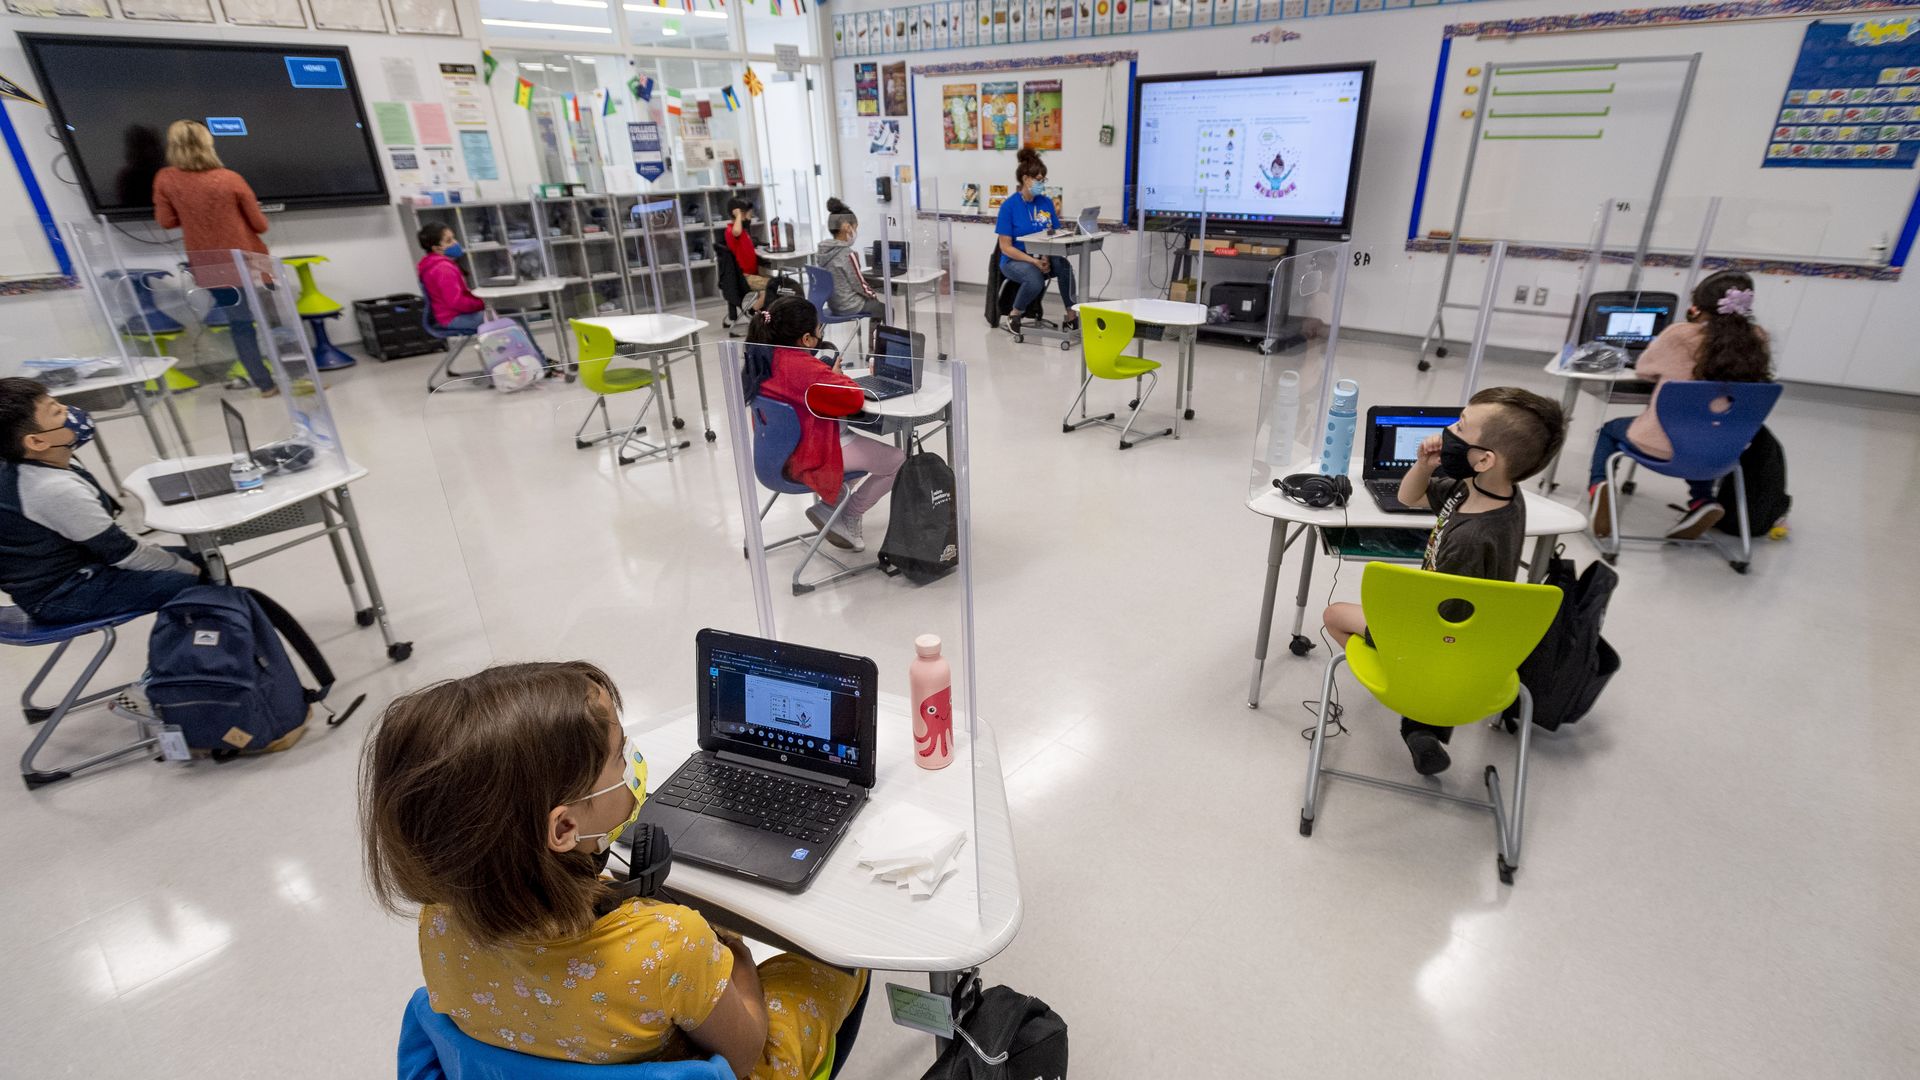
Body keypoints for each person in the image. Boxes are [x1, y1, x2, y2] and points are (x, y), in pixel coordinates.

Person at [361, 661, 869, 1079]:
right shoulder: (672, 942)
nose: (632, 762)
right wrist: (730, 949)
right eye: (618, 756)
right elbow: (741, 1056)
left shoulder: (440, 921)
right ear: (564, 828)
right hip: (727, 1052)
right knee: (833, 964)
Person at [1321, 387, 1566, 777]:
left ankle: (1410, 694)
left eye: (1460, 426)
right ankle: (1423, 726)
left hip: (1438, 639)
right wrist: (1424, 465)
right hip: (1482, 644)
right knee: (1436, 645)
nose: (1448, 430)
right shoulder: (1487, 491)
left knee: (1334, 615)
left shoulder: (1471, 541)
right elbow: (1409, 497)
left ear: (1484, 459)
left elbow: (1445, 626)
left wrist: (1401, 636)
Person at [1588, 271, 1773, 541]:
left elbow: (1644, 369)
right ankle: (1702, 501)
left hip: (1661, 445)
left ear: (1698, 305)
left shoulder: (1680, 334)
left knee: (1608, 431)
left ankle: (1598, 487)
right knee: (1704, 430)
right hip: (1723, 450)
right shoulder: (1758, 338)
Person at [0, 379, 204, 624]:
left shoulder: (50, 462)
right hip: (60, 594)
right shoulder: (52, 489)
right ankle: (212, 641)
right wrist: (187, 570)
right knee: (194, 579)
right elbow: (123, 553)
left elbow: (110, 535)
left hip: (84, 566)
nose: (70, 411)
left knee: (203, 558)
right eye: (57, 412)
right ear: (36, 442)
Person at [741, 295, 904, 553]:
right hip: (814, 454)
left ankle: (830, 505)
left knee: (864, 458)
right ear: (806, 339)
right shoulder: (803, 367)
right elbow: (853, 400)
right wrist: (835, 376)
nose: (821, 334)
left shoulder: (762, 356)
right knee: (896, 461)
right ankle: (849, 515)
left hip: (776, 457)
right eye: (819, 330)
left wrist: (823, 372)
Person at [151, 119, 278, 396]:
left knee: (240, 324)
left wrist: (193, 216)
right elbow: (260, 225)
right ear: (208, 144)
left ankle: (265, 384)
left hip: (210, 266)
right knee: (274, 319)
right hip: (251, 261)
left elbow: (166, 221)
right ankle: (292, 376)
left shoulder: (166, 179)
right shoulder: (230, 178)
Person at [994, 146, 1078, 336]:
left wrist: (1046, 257)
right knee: (1034, 277)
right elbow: (1005, 247)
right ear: (1026, 179)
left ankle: (1071, 317)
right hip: (1014, 261)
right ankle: (1015, 315)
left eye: (1043, 180)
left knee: (1064, 267)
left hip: (1042, 257)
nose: (1042, 184)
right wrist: (1034, 261)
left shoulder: (1046, 203)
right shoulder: (1009, 206)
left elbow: (1053, 234)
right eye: (1038, 180)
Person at [813, 198, 886, 322]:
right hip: (850, 306)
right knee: (884, 309)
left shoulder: (822, 251)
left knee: (874, 304)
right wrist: (873, 295)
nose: (855, 232)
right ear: (847, 227)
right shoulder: (848, 254)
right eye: (855, 228)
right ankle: (878, 335)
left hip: (834, 305)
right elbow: (859, 285)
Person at [415, 224, 489, 333]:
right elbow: (457, 302)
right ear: (436, 248)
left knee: (505, 313)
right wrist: (484, 303)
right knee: (508, 318)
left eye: (453, 238)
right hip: (454, 317)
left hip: (449, 315)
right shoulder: (443, 269)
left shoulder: (433, 264)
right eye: (449, 241)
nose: (455, 242)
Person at [720, 196, 772, 336]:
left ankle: (758, 309)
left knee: (768, 285)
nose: (751, 216)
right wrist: (738, 215)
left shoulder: (742, 231)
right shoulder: (732, 231)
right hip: (745, 278)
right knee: (773, 285)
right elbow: (736, 232)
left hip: (750, 274)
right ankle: (753, 312)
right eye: (748, 213)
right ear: (740, 213)